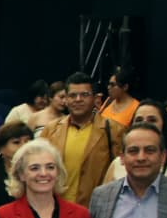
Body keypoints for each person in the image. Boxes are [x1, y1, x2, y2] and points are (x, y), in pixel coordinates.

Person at [40, 72, 126, 206]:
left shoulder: (114, 130)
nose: (78, 99)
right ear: (66, 99)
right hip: (55, 209)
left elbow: (121, 173)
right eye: (72, 95)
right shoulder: (51, 130)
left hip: (95, 208)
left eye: (84, 95)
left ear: (95, 99)